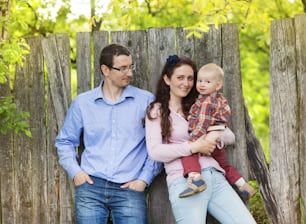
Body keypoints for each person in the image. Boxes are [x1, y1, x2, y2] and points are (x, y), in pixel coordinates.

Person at [55, 43, 162, 224]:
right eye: (122, 68)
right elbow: (65, 141)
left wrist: (144, 179)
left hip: (130, 188)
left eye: (130, 67)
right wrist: (76, 173)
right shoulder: (83, 103)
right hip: (90, 188)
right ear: (105, 69)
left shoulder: (146, 101)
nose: (129, 73)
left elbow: (158, 145)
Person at [145, 55, 257, 223]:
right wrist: (193, 147)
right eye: (180, 77)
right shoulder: (157, 111)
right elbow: (155, 152)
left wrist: (213, 137)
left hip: (215, 177)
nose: (186, 83)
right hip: (186, 182)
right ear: (167, 79)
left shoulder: (199, 106)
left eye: (190, 78)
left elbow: (230, 136)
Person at [179, 63, 256, 201]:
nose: (202, 84)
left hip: (206, 135)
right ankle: (244, 186)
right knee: (223, 165)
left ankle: (195, 179)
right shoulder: (219, 99)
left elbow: (203, 123)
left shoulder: (206, 102)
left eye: (207, 82)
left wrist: (193, 140)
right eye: (200, 81)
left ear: (218, 85)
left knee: (188, 153)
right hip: (217, 140)